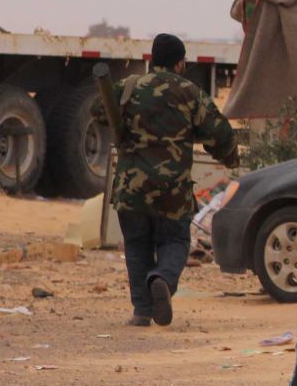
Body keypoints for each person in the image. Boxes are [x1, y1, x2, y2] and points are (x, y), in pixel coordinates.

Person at [96, 33, 238, 326]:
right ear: (179, 63)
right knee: (174, 240)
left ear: (151, 60)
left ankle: (142, 312)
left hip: (131, 188)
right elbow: (219, 134)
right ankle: (162, 279)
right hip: (172, 189)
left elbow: (98, 110)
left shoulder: (129, 87)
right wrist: (229, 158)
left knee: (136, 245)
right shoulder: (190, 92)